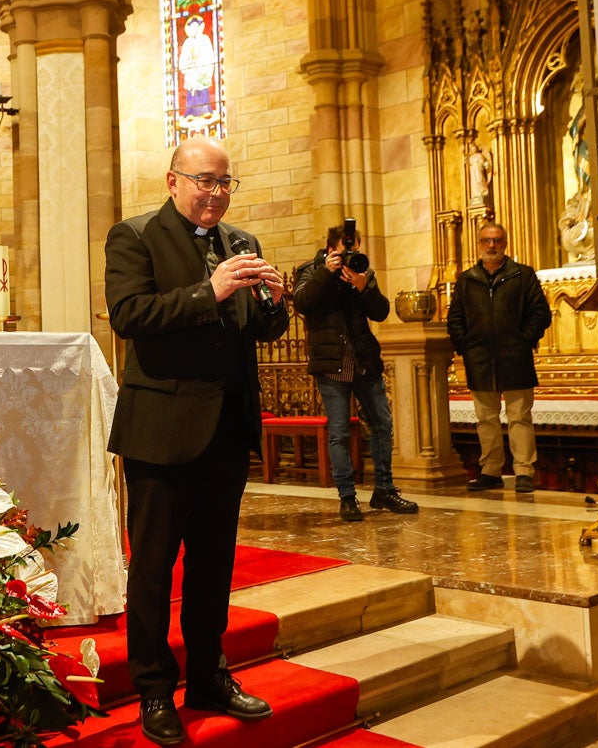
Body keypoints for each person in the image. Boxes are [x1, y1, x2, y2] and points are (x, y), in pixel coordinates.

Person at [105, 136, 287, 746]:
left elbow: (257, 329)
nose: (215, 194)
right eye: (204, 181)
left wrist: (274, 303)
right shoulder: (133, 237)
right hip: (162, 432)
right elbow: (130, 316)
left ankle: (209, 677)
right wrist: (209, 292)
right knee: (154, 569)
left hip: (227, 428)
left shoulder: (242, 243)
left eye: (224, 183)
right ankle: (154, 689)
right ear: (173, 181)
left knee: (213, 565)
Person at [293, 226, 418, 522]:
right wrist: (327, 272)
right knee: (338, 432)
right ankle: (347, 497)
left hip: (364, 361)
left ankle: (384, 490)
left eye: (356, 251)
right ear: (330, 249)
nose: (352, 257)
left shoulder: (363, 273)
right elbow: (301, 303)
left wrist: (363, 287)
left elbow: (382, 312)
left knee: (382, 425)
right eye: (345, 252)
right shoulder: (311, 270)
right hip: (331, 363)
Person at [446, 222, 552, 493]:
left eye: (497, 240)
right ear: (479, 244)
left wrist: (522, 340)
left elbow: (541, 313)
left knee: (519, 417)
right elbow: (455, 319)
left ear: (505, 244)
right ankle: (491, 470)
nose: (491, 245)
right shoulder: (467, 279)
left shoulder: (522, 275)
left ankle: (524, 470)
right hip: (480, 359)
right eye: (486, 241)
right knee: (486, 419)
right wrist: (467, 347)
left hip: (515, 358)